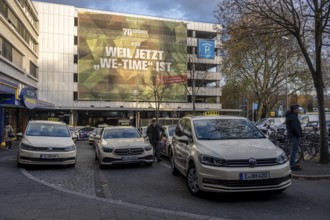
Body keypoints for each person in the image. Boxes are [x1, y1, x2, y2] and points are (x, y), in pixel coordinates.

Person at [285, 104, 303, 170]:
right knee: (294, 151)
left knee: (293, 151)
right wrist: (299, 134)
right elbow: (294, 128)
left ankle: (293, 164)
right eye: (297, 109)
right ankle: (292, 165)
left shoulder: (291, 116)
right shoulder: (293, 117)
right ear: (294, 110)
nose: (298, 110)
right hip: (294, 136)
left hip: (292, 135)